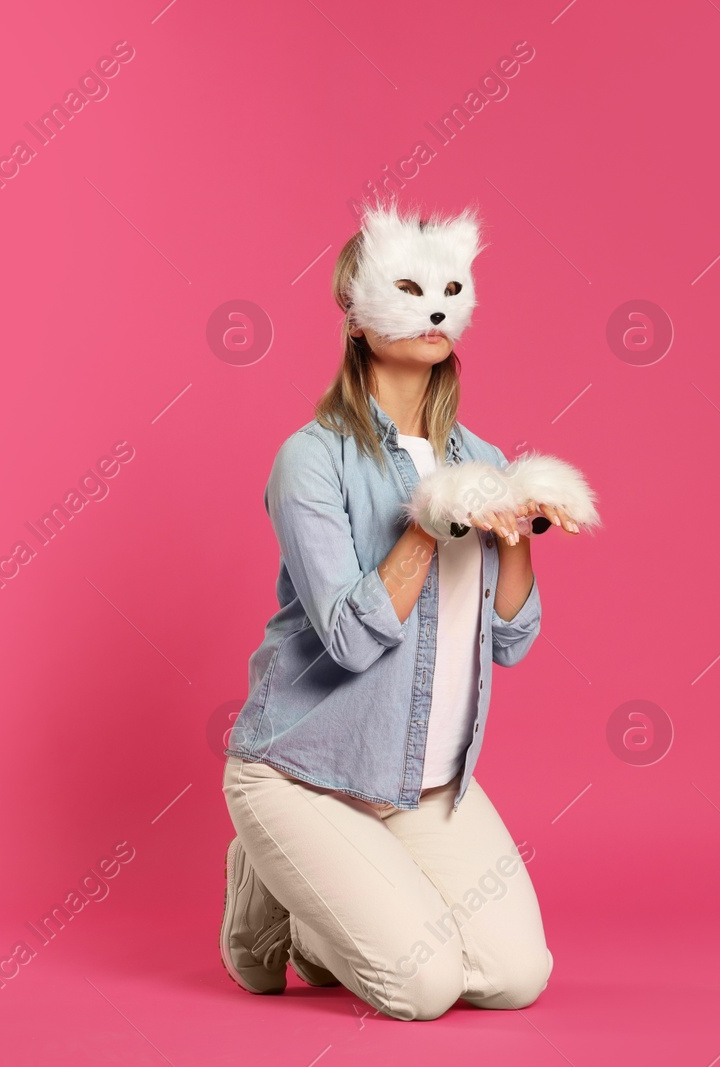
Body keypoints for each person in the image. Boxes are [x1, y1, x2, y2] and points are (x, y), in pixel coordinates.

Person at [218, 204, 591, 1021]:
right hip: (302, 768)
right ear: (355, 315)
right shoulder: (312, 459)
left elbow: (512, 638)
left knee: (512, 974)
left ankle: (328, 902)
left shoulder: (483, 460)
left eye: (447, 291)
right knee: (423, 988)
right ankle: (265, 869)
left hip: (420, 783)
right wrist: (429, 524)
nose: (432, 310)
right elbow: (350, 640)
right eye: (409, 289)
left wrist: (518, 530)